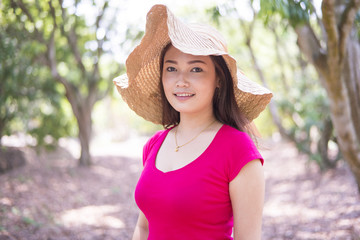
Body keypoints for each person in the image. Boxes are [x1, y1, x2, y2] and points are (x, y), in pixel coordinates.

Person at [113, 4, 273, 240]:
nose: (181, 81)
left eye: (196, 69)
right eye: (171, 68)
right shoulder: (154, 145)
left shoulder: (238, 150)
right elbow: (144, 227)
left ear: (219, 79)